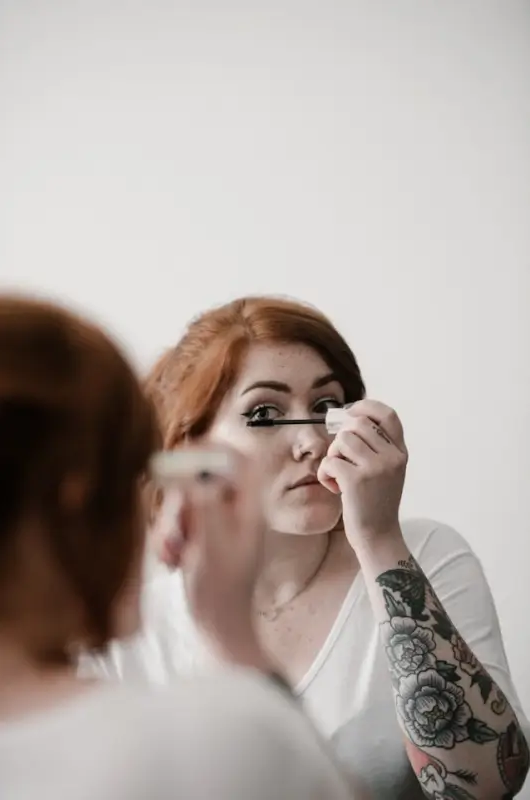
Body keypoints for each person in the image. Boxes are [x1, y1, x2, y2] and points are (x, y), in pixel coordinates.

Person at [85, 294, 530, 800]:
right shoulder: (129, 629)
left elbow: (488, 787)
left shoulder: (425, 553)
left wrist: (379, 539)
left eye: (326, 408)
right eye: (263, 414)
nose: (313, 441)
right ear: (190, 448)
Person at [0, 295, 359, 800]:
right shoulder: (217, 740)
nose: (311, 442)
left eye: (326, 408)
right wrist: (238, 643)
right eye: (141, 474)